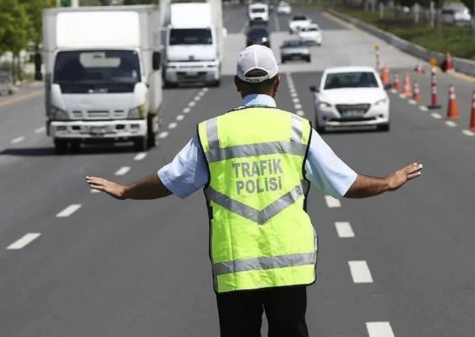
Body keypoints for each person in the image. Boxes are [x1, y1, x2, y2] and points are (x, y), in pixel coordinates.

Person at [86, 44, 423, 337]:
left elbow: (171, 180)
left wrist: (126, 190)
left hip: (235, 268)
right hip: (289, 267)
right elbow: (344, 183)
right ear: (277, 83)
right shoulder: (297, 130)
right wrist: (387, 182)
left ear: (237, 85)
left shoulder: (213, 133)